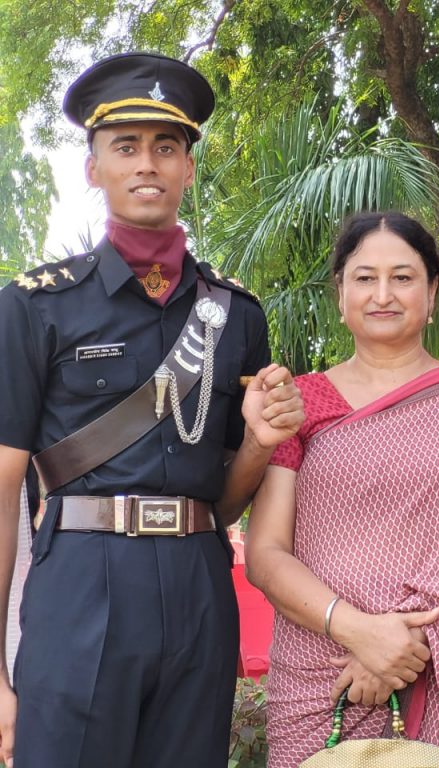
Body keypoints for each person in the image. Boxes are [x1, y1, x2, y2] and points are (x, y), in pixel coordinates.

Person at [0, 52, 305, 767]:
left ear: (189, 169)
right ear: (93, 168)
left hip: (199, 582)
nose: (148, 164)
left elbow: (227, 500)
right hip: (81, 579)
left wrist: (259, 444)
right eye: (126, 147)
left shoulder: (235, 314)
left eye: (167, 148)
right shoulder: (34, 306)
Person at [245, 211, 439, 768]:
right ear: (340, 292)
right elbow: (265, 554)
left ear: (432, 293)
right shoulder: (298, 403)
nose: (383, 294)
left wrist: (400, 650)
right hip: (317, 681)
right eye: (364, 277)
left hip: (435, 668)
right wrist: (358, 632)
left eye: (402, 277)